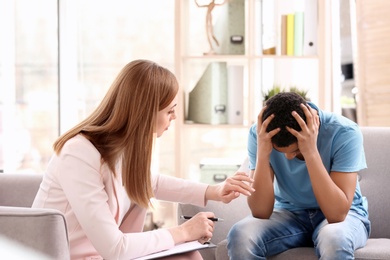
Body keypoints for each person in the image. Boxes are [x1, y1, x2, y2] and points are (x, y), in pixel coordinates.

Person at [32, 59, 255, 260]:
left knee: (190, 257)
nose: (174, 117)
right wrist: (184, 232)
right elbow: (115, 248)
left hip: (104, 255)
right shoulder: (79, 154)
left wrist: (213, 191)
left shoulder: (122, 150)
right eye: (170, 110)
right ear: (145, 112)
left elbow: (151, 183)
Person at [227, 92, 371, 259]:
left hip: (345, 215)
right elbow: (260, 212)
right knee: (240, 235)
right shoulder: (260, 135)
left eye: (295, 151)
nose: (288, 157)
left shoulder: (345, 132)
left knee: (334, 238)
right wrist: (263, 154)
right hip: (289, 213)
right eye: (281, 152)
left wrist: (310, 151)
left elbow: (337, 214)